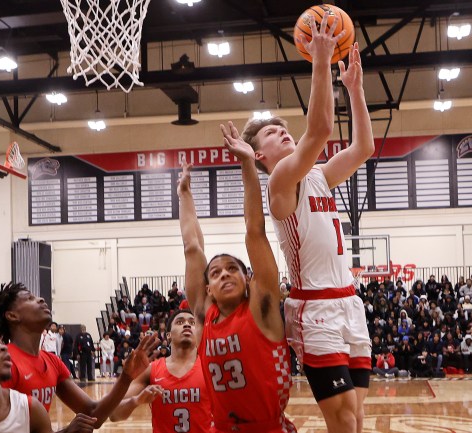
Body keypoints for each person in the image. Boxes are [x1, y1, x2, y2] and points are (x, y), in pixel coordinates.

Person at [236, 18, 374, 433]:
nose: (284, 134)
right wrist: (320, 60)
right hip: (314, 308)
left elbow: (363, 147)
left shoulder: (319, 175)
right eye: (273, 135)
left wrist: (355, 90)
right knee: (344, 416)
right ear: (260, 157)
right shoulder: (280, 181)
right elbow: (320, 128)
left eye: (283, 129)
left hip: (349, 303)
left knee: (357, 417)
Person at [179, 119, 294, 430]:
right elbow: (192, 248)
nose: (225, 275)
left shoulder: (261, 307)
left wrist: (247, 163)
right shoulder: (204, 314)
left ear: (248, 280)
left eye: (233, 269)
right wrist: (184, 195)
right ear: (208, 288)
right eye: (215, 273)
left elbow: (254, 231)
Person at [0, 282, 159, 429]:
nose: (41, 299)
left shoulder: (52, 361)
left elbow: (93, 414)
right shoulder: (4, 363)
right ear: (12, 315)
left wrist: (126, 377)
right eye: (30, 298)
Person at [110, 309, 212, 432]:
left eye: (192, 322)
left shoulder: (211, 367)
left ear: (199, 332)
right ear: (168, 335)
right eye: (180, 322)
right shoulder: (151, 370)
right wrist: (135, 400)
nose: (186, 324)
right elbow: (113, 414)